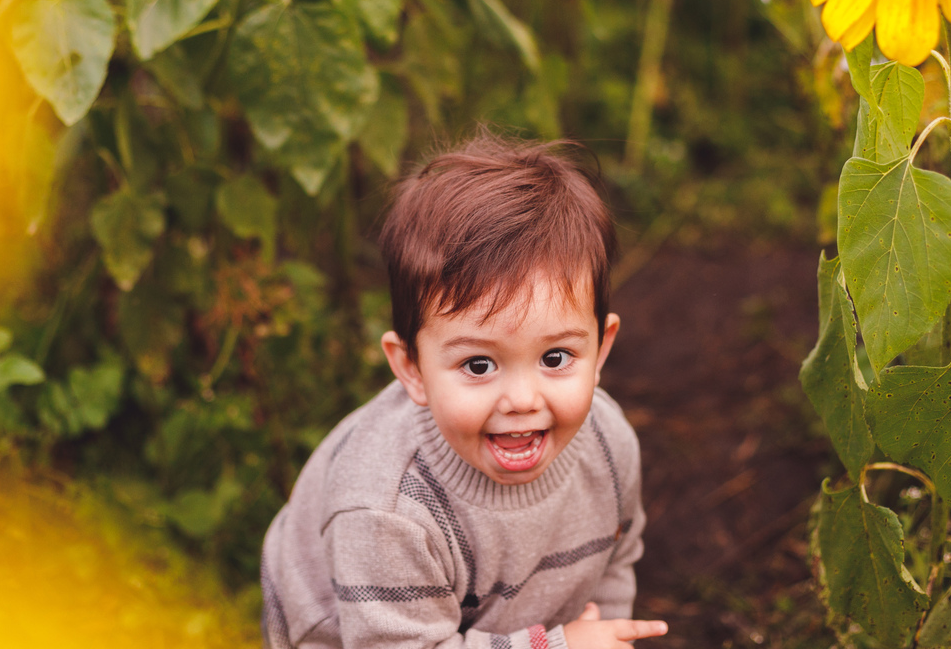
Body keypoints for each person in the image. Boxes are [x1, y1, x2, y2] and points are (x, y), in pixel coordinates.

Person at [260, 135, 667, 649]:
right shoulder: (386, 507)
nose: (522, 399)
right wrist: (556, 646)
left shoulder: (609, 446)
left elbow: (613, 565)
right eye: (479, 364)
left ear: (600, 350)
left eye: (555, 358)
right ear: (411, 369)